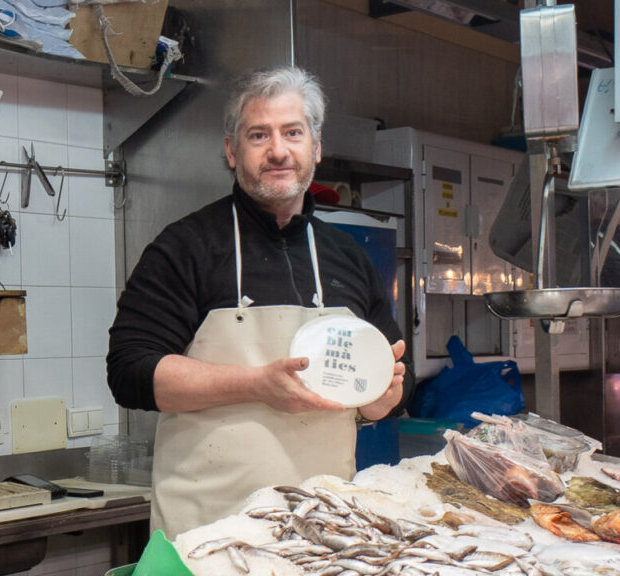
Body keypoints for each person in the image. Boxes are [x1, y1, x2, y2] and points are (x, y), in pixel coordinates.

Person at [107, 65, 412, 538]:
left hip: (325, 530)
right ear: (232, 151)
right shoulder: (185, 246)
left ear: (316, 147)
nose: (278, 151)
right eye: (258, 135)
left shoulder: (347, 257)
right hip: (209, 534)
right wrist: (256, 384)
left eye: (293, 132)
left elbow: (386, 382)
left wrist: (383, 399)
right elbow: (130, 372)